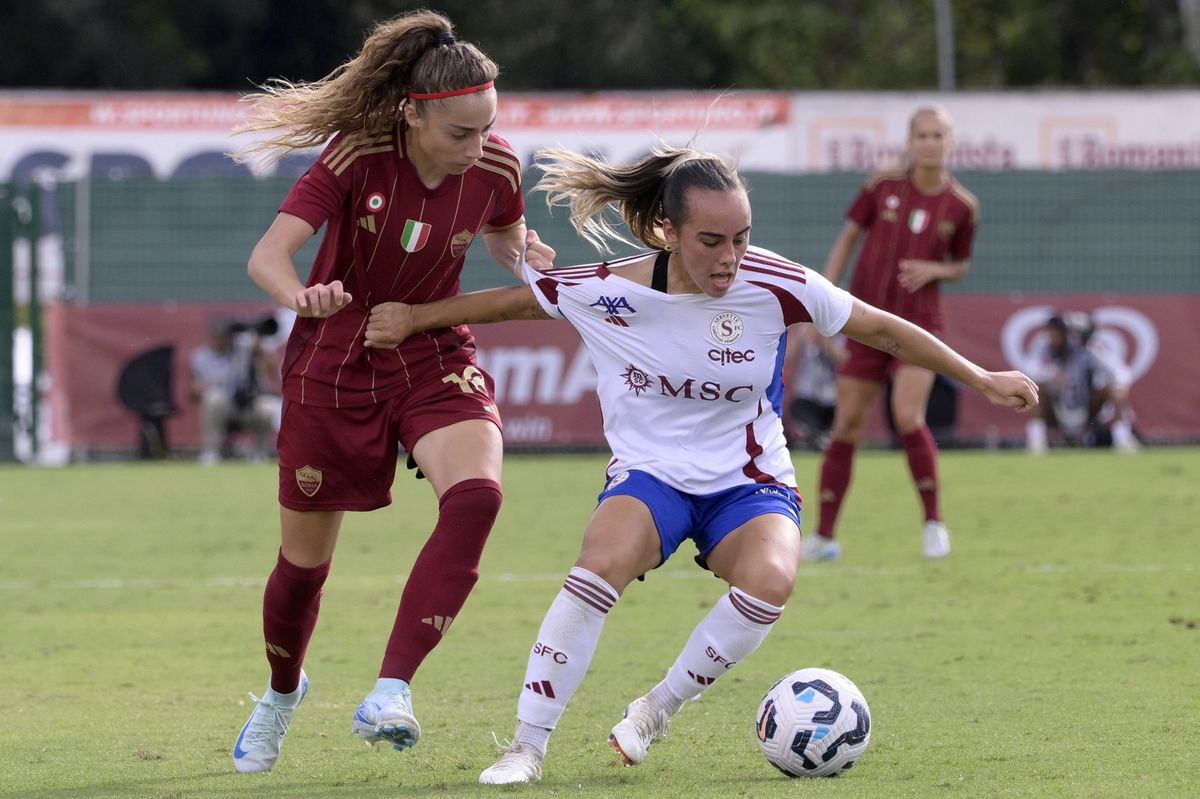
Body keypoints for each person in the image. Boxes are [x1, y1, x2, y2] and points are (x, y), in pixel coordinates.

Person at [362, 143, 1038, 784]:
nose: (732, 257)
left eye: (742, 237)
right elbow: (512, 303)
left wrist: (981, 377)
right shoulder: (607, 290)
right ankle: (526, 746)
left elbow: (881, 327)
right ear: (668, 231)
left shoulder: (778, 284)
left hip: (749, 479)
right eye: (712, 241)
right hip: (652, 474)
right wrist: (414, 317)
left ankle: (657, 706)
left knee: (772, 579)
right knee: (598, 565)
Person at [227, 10, 556, 774]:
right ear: (413, 114)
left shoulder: (498, 166)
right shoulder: (358, 153)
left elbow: (505, 233)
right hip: (335, 361)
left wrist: (523, 255)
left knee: (477, 496)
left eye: (488, 131)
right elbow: (269, 257)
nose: (479, 148)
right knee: (303, 568)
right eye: (460, 134)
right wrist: (300, 297)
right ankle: (281, 692)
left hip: (432, 351)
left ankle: (391, 689)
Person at [805, 105, 980, 563]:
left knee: (907, 416)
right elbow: (848, 238)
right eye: (921, 135)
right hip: (866, 323)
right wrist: (823, 297)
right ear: (910, 141)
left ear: (950, 142)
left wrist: (936, 269)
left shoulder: (961, 207)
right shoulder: (881, 185)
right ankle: (824, 537)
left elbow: (961, 265)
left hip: (921, 327)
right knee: (846, 425)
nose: (929, 143)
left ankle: (933, 524)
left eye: (937, 135)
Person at [1024, 310, 1139, 453]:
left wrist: (1119, 388)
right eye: (1051, 332)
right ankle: (1036, 442)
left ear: (1067, 333)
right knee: (1035, 388)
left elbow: (1121, 372)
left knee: (1116, 390)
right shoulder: (1042, 346)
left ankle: (1123, 439)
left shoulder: (1087, 347)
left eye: (1058, 332)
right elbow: (1027, 370)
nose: (1053, 337)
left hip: (1087, 406)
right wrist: (1050, 374)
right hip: (1057, 405)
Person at [189, 314, 283, 465]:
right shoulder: (201, 357)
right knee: (213, 397)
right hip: (225, 406)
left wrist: (259, 344)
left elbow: (271, 368)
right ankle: (211, 452)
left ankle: (259, 452)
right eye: (217, 335)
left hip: (249, 405)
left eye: (224, 335)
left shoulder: (244, 349)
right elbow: (193, 391)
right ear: (211, 336)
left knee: (268, 406)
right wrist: (200, 388)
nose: (221, 339)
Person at [782, 325, 846, 451]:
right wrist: (800, 335)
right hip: (807, 397)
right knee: (801, 412)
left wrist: (825, 341)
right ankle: (812, 436)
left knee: (838, 423)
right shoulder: (805, 334)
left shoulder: (841, 335)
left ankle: (822, 437)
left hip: (834, 399)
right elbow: (787, 357)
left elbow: (844, 359)